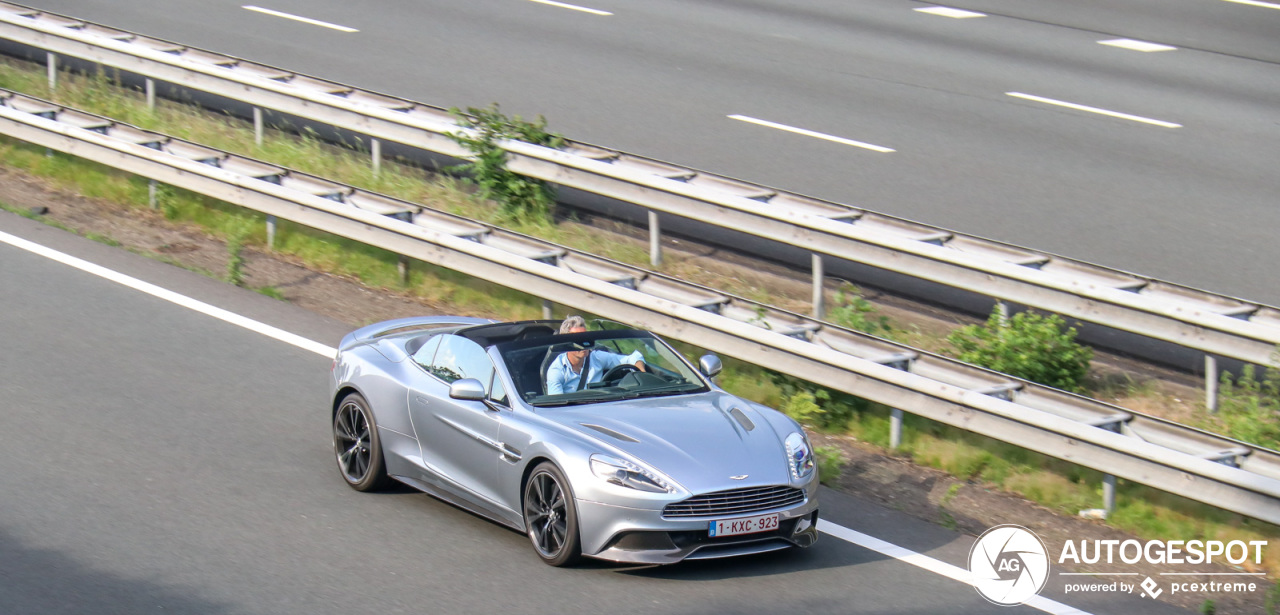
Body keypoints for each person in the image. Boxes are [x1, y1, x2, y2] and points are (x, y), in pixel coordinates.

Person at [545, 315, 646, 394]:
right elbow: (557, 407)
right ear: (566, 343)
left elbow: (634, 357)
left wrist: (642, 375)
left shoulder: (596, 357)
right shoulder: (556, 370)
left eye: (585, 337)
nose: (584, 343)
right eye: (578, 339)